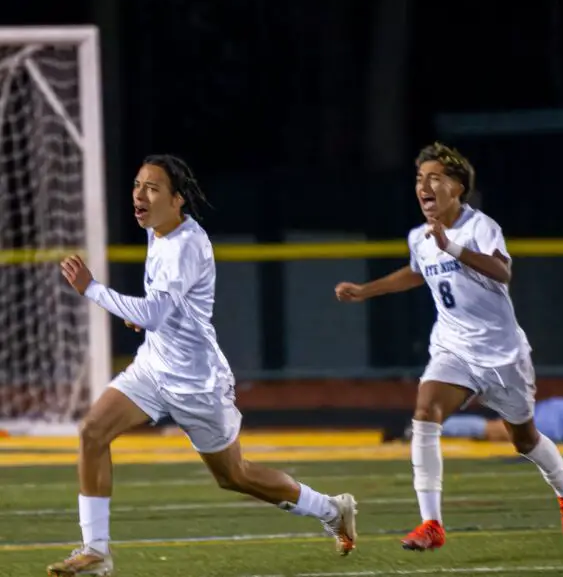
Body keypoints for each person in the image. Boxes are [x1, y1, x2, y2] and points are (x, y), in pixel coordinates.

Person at [50, 156, 356, 577]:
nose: (139, 194)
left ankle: (332, 509)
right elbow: (163, 310)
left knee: (235, 476)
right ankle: (96, 551)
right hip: (154, 369)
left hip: (197, 384)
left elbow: (157, 313)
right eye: (138, 184)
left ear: (177, 200)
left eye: (152, 188)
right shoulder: (159, 231)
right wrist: (143, 313)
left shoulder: (186, 244)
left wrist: (94, 290)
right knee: (92, 431)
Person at [334, 142, 563, 551]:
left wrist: (450, 245)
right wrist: (366, 291)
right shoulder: (420, 236)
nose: (424, 186)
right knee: (425, 413)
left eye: (435, 178)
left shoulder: (479, 227)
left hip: (503, 355)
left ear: (457, 187)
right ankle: (431, 523)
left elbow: (502, 271)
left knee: (524, 440)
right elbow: (417, 272)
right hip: (454, 349)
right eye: (419, 179)